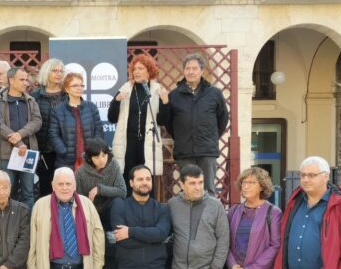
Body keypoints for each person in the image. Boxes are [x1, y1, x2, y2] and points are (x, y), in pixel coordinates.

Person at [158, 53, 229, 195]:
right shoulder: (174, 95)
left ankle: (209, 218)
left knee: (208, 190)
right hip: (184, 152)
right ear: (183, 71)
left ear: (202, 71)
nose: (191, 72)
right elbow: (167, 123)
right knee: (188, 191)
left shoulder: (214, 93)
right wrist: (181, 135)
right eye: (188, 68)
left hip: (207, 151)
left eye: (194, 68)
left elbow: (223, 120)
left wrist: (210, 137)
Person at [108, 54, 167, 187]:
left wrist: (165, 102)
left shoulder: (157, 90)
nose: (136, 72)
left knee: (146, 178)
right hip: (128, 143)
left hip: (147, 144)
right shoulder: (125, 89)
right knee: (128, 177)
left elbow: (162, 121)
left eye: (140, 68)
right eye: (134, 69)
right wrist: (116, 102)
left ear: (149, 71)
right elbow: (111, 118)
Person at [0, 66, 42, 208]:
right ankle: (8, 227)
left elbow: (37, 121)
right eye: (22, 79)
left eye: (27, 79)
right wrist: (19, 143)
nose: (26, 83)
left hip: (28, 152)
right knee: (7, 192)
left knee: (28, 193)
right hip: (7, 154)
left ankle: (26, 227)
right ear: (11, 80)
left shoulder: (31, 100)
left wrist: (20, 134)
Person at [49, 73, 104, 170]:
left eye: (81, 85)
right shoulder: (58, 110)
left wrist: (94, 150)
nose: (79, 88)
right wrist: (63, 151)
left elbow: (99, 131)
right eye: (75, 85)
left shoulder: (91, 107)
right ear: (66, 89)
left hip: (90, 159)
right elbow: (53, 134)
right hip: (66, 161)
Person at [31, 58, 66, 197]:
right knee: (45, 187)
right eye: (55, 71)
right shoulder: (35, 96)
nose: (58, 74)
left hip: (63, 149)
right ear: (46, 72)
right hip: (43, 149)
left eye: (61, 71)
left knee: (64, 185)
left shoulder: (67, 95)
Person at [74, 137, 126, 228]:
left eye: (104, 155)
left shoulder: (114, 165)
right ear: (90, 158)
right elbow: (77, 198)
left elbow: (122, 192)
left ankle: (118, 235)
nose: (102, 160)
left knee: (118, 202)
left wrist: (100, 189)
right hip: (90, 213)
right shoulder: (80, 172)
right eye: (96, 157)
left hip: (109, 210)